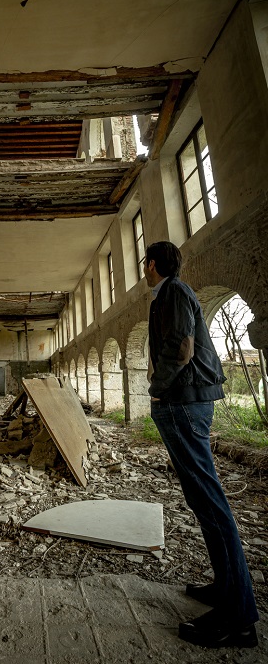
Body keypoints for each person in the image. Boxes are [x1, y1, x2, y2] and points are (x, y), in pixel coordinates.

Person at [144, 241, 258, 648]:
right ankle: (226, 587)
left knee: (210, 501)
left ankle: (240, 617)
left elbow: (183, 349)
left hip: (185, 401)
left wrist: (157, 390)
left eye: (145, 263)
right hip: (185, 401)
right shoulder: (169, 294)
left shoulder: (174, 292)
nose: (145, 269)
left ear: (152, 264)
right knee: (201, 499)